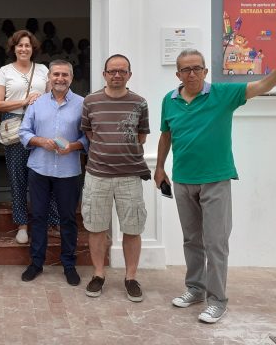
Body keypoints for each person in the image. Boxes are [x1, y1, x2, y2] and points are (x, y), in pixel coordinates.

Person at [154, 48, 276, 323]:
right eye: (186, 69)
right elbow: (166, 135)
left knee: (216, 243)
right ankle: (195, 289)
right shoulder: (169, 101)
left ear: (206, 71)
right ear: (178, 74)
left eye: (197, 68)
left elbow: (264, 85)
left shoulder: (223, 94)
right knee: (192, 240)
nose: (192, 73)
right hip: (183, 179)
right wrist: (160, 167)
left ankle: (217, 300)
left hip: (216, 180)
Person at [81, 54, 150, 301]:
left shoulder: (139, 103)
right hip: (97, 175)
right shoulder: (91, 102)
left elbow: (141, 136)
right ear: (104, 74)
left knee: (132, 229)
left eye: (122, 71)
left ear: (129, 74)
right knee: (96, 227)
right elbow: (89, 131)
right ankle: (98, 274)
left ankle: (131, 277)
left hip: (130, 176)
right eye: (112, 71)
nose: (117, 75)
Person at [19, 60, 88, 285]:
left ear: (71, 77)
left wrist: (73, 146)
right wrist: (39, 141)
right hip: (39, 168)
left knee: (68, 219)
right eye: (56, 74)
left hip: (68, 171)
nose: (60, 78)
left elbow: (89, 136)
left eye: (65, 75)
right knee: (38, 217)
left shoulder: (82, 104)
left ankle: (69, 264)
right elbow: (24, 132)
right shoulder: (37, 103)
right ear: (49, 77)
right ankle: (36, 263)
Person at [0, 29, 59, 244]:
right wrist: (24, 101)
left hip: (41, 126)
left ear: (33, 49)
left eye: (27, 45)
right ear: (14, 48)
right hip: (15, 127)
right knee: (17, 176)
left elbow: (53, 97)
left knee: (44, 175)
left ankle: (50, 219)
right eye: (20, 45)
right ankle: (22, 224)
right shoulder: (5, 71)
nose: (23, 49)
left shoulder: (42, 70)